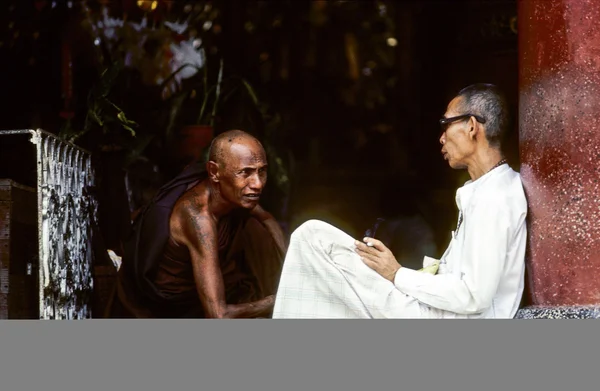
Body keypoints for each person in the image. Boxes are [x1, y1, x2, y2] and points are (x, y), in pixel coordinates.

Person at [272, 84, 528, 319]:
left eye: (445, 124)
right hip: (437, 310)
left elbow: (473, 296)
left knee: (312, 238)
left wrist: (396, 274)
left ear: (472, 126)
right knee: (316, 239)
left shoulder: (495, 198)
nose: (441, 138)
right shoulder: (486, 189)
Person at [108, 130, 287, 318]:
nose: (257, 184)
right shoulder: (198, 218)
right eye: (245, 173)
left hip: (211, 283)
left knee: (257, 228)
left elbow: (266, 218)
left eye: (262, 171)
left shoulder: (234, 192)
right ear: (214, 172)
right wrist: (279, 299)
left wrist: (291, 268)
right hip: (168, 307)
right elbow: (218, 315)